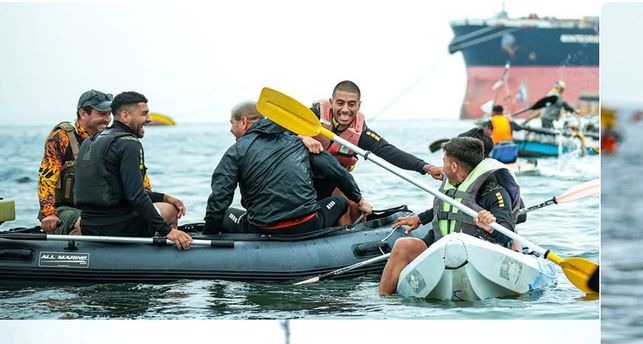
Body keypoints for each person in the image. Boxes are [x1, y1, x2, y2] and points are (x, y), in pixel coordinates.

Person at [203, 101, 372, 236]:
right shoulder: (298, 141)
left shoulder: (235, 152)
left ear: (243, 122)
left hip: (263, 229)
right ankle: (341, 237)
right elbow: (337, 171)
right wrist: (359, 200)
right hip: (309, 224)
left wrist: (209, 236)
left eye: (231, 123)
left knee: (225, 214)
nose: (230, 129)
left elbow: (219, 198)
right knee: (341, 201)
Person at [379, 137, 519, 296]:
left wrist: (490, 227)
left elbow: (508, 233)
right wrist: (420, 218)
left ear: (453, 166)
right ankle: (384, 300)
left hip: (480, 254)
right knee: (403, 244)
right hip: (441, 247)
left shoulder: (493, 192)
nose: (441, 166)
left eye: (444, 161)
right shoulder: (451, 186)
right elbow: (443, 211)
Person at [73, 91, 192, 249]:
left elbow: (120, 191)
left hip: (89, 225)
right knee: (171, 210)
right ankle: (162, 255)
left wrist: (164, 196)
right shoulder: (129, 144)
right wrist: (168, 231)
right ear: (125, 116)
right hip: (119, 228)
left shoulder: (90, 141)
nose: (149, 119)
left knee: (164, 203)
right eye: (144, 114)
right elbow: (136, 196)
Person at [300, 80, 442, 191]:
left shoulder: (361, 133)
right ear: (331, 103)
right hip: (299, 178)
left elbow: (391, 152)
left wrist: (426, 167)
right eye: (340, 103)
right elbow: (279, 129)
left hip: (330, 181)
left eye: (351, 104)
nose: (345, 110)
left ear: (358, 106)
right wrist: (302, 137)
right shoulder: (314, 114)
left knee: (354, 205)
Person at [37, 90, 113, 235]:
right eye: (102, 114)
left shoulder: (110, 139)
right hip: (64, 209)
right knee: (89, 224)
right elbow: (46, 178)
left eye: (109, 114)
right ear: (83, 113)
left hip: (99, 210)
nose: (107, 119)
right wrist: (48, 214)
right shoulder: (61, 138)